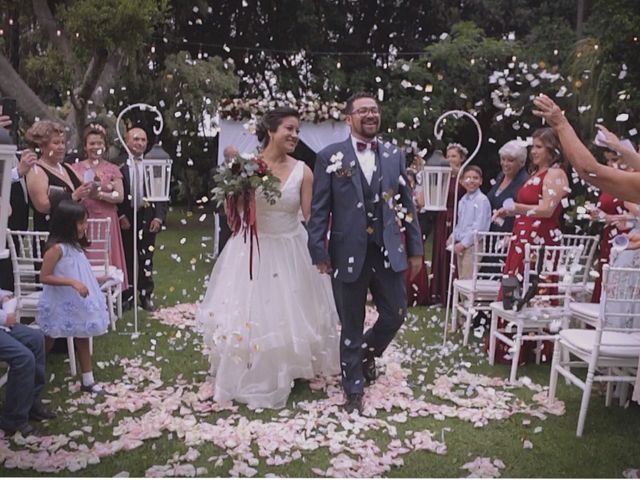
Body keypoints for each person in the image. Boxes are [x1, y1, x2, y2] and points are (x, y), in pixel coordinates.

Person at [196, 107, 340, 409]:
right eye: (289, 129)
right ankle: (247, 361)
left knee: (293, 308)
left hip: (290, 246)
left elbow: (310, 215)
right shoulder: (245, 166)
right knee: (250, 308)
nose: (295, 135)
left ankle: (295, 365)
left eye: (298, 130)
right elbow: (230, 211)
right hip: (251, 247)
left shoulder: (304, 171)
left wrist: (323, 247)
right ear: (271, 131)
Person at [308, 92, 423, 414]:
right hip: (347, 251)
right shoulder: (329, 156)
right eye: (363, 111)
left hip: (387, 250)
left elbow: (406, 204)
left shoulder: (394, 155)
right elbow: (319, 208)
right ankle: (353, 390)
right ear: (349, 119)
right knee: (351, 322)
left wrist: (415, 249)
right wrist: (318, 248)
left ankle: (362, 356)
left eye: (374, 110)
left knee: (395, 314)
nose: (370, 115)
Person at [491, 127, 570, 363]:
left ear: (552, 149)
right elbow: (529, 207)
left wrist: (516, 207)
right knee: (513, 286)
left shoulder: (556, 174)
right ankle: (510, 347)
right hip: (522, 238)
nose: (533, 151)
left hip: (539, 242)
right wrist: (510, 211)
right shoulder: (538, 172)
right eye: (532, 146)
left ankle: (534, 349)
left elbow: (547, 209)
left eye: (538, 146)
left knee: (535, 289)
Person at [37, 200, 110, 394]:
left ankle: (88, 379)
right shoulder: (56, 249)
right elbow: (44, 276)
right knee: (50, 337)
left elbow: (78, 270)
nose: (85, 226)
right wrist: (72, 283)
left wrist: (96, 278)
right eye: (81, 223)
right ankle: (34, 371)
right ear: (67, 224)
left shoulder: (75, 247)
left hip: (77, 300)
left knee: (82, 335)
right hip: (60, 300)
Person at [71, 124, 128, 290]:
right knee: (85, 255)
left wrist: (101, 195)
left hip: (106, 217)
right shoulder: (75, 168)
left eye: (99, 143)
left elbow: (120, 196)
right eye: (92, 143)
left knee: (105, 257)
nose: (96, 147)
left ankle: (107, 292)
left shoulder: (113, 169)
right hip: (83, 217)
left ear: (105, 146)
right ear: (85, 146)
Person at [117, 127, 168, 311]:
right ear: (126, 140)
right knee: (127, 257)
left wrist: (159, 217)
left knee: (146, 257)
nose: (139, 143)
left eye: (143, 140)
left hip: (148, 216)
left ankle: (146, 295)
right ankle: (127, 295)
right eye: (136, 139)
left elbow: (161, 191)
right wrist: (120, 215)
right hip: (127, 217)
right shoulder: (118, 164)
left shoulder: (153, 164)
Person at [25, 121, 94, 232]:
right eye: (56, 143)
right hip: (51, 231)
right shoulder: (36, 170)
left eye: (63, 143)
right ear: (42, 146)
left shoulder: (67, 167)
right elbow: (42, 205)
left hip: (74, 230)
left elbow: (86, 189)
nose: (61, 147)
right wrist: (72, 197)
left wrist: (94, 184)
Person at [427, 143, 467, 305]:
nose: (450, 159)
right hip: (442, 216)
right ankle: (438, 293)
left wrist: (459, 175)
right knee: (440, 252)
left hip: (457, 215)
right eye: (448, 156)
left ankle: (453, 294)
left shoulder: (465, 175)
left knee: (452, 255)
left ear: (461, 158)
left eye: (453, 156)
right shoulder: (443, 174)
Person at [449, 165, 492, 279]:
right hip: (462, 243)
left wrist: (464, 244)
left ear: (481, 181)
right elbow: (461, 223)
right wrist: (453, 235)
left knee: (467, 278)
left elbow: (480, 226)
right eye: (468, 178)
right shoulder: (463, 201)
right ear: (462, 181)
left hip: (473, 245)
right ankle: (462, 297)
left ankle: (466, 298)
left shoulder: (482, 200)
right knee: (460, 276)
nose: (471, 181)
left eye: (475, 178)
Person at [486, 140, 529, 234]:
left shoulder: (525, 181)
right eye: (503, 159)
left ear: (520, 162)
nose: (505, 164)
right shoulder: (500, 176)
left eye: (510, 160)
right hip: (492, 232)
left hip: (510, 234)